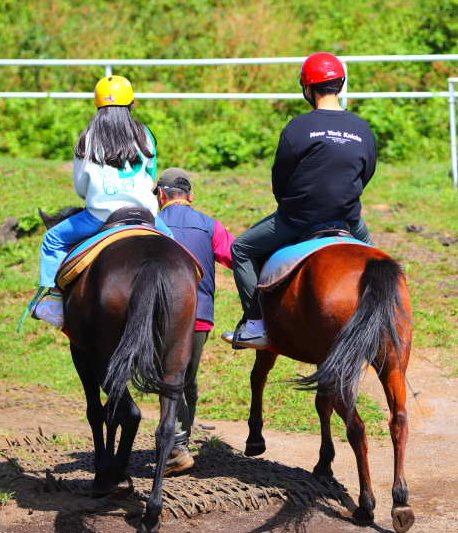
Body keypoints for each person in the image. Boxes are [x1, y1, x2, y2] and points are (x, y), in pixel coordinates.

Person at [222, 52, 376, 350]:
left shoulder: (297, 127)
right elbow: (365, 173)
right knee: (373, 260)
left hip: (297, 217)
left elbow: (280, 177)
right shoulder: (363, 129)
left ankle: (254, 325)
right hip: (347, 218)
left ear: (308, 89)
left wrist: (290, 204)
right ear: (341, 84)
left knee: (240, 249)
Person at [32, 76, 174, 327]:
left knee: (52, 238)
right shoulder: (144, 134)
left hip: (100, 216)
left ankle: (54, 303)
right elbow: (151, 176)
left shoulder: (87, 137)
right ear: (132, 103)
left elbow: (81, 188)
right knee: (174, 249)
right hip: (144, 214)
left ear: (97, 105)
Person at [154, 167, 235, 473]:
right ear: (190, 196)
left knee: (167, 378)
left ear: (161, 195)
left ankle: (177, 446)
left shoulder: (150, 223)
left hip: (160, 314)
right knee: (187, 380)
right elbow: (236, 256)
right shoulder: (210, 226)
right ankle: (179, 440)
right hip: (199, 315)